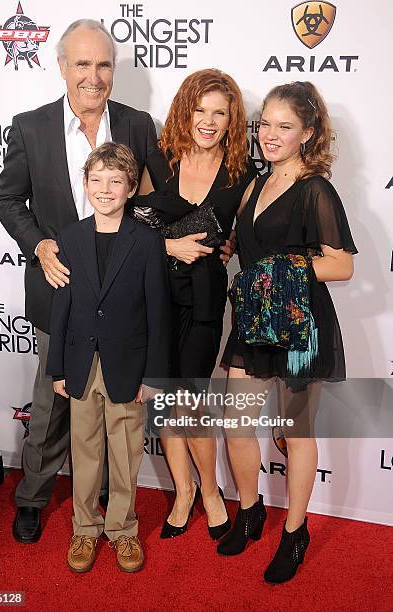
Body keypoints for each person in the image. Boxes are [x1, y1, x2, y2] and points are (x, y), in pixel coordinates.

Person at [0, 19, 158, 543]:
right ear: (61, 67)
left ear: (114, 70)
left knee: (112, 400)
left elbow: (154, 201)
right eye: (82, 63)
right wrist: (39, 244)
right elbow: (8, 200)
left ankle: (108, 501)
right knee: (51, 403)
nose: (93, 75)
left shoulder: (136, 123)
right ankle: (33, 497)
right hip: (59, 287)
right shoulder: (30, 126)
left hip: (120, 294)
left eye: (103, 64)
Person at [218, 81, 357, 584]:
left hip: (300, 326)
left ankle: (295, 531)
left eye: (284, 127)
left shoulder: (316, 188)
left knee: (297, 434)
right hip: (254, 323)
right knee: (236, 425)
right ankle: (251, 510)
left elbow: (341, 265)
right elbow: (247, 246)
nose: (269, 135)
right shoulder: (256, 183)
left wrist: (281, 267)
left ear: (308, 132)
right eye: (264, 125)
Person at [138, 69, 257, 539]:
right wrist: (169, 248)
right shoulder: (160, 160)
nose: (208, 121)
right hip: (155, 297)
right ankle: (183, 492)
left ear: (232, 121)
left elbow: (250, 234)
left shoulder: (242, 174)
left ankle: (210, 490)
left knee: (190, 402)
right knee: (166, 401)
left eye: (220, 113)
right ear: (185, 112)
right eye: (200, 110)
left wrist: (231, 245)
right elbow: (132, 231)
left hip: (205, 300)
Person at [46, 142, 170, 573]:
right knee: (84, 452)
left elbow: (158, 310)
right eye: (96, 180)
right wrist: (57, 368)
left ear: (131, 188)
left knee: (124, 452)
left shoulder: (148, 241)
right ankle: (84, 528)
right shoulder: (70, 236)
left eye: (116, 181)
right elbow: (62, 306)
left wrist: (153, 375)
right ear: (85, 184)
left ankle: (122, 530)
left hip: (127, 366)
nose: (105, 189)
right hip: (80, 364)